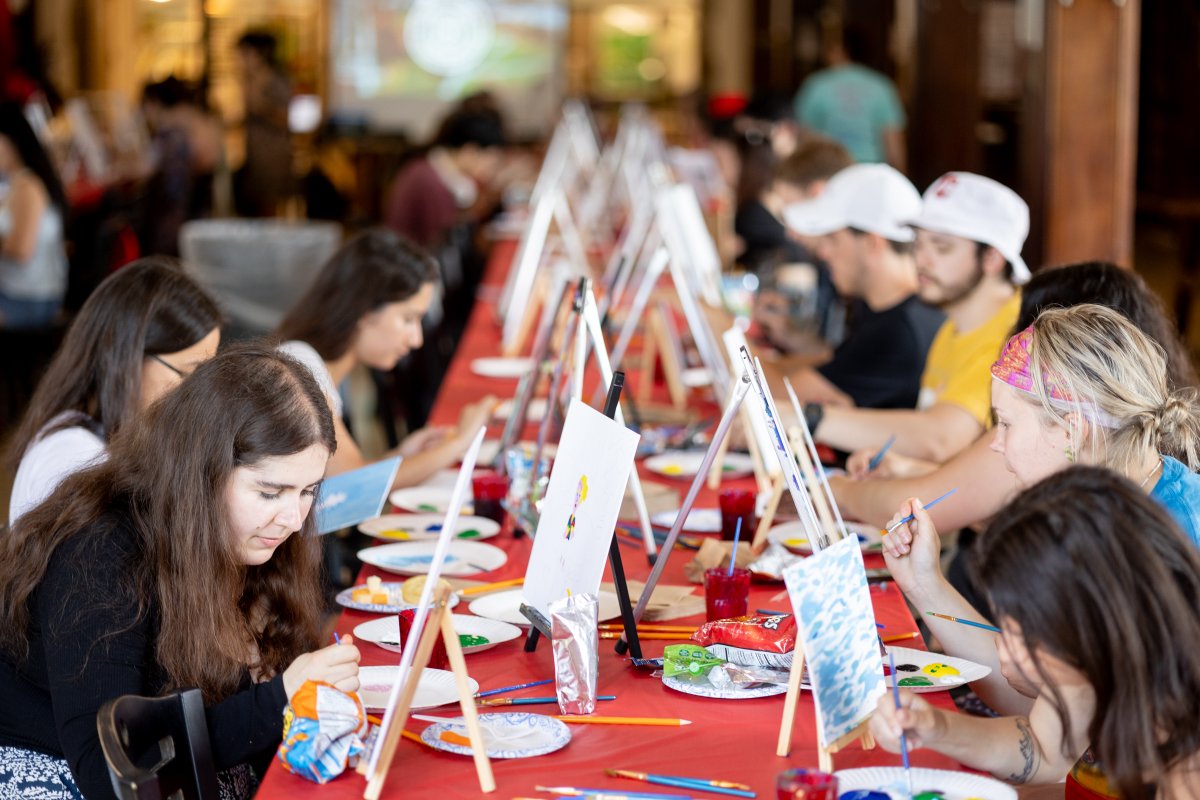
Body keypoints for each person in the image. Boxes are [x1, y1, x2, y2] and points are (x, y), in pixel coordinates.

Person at [0, 344, 361, 799]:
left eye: (309, 490)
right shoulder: (99, 556)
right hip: (65, 770)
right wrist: (282, 697)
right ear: (202, 472)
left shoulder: (243, 533)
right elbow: (113, 771)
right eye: (271, 492)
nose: (293, 518)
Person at [881, 302, 1200, 716]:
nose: (995, 444)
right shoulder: (1100, 505)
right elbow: (1029, 698)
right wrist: (924, 584)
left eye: (1006, 423)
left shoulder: (1168, 546)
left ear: (1072, 430)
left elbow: (1066, 734)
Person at [872, 467, 1200, 797]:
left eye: (1020, 631)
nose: (1004, 648)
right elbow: (1045, 751)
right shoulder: (1104, 662)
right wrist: (935, 727)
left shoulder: (1185, 765)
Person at [829, 261, 1199, 530]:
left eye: (1004, 424)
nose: (996, 442)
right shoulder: (1103, 473)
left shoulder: (1162, 533)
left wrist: (833, 488)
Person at [807, 172, 1030, 463]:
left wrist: (812, 419)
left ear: (992, 259)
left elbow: (940, 439)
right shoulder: (953, 325)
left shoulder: (1015, 337)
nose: (921, 260)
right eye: (918, 244)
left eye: (941, 247)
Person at [6, 257, 222, 526]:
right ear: (129, 358)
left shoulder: (115, 439)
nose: (195, 392)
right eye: (186, 373)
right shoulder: (74, 456)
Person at [275, 228, 496, 490]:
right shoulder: (299, 368)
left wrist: (401, 456)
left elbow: (341, 475)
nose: (417, 339)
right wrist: (461, 442)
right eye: (408, 319)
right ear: (365, 311)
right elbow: (353, 484)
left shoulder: (318, 363)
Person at [778, 162, 944, 410]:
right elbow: (834, 364)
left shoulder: (898, 331)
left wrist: (718, 323)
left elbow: (773, 398)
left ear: (872, 243)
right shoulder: (886, 308)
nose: (823, 252)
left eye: (832, 239)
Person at [793, 24, 906, 170]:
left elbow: (804, 135)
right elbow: (893, 142)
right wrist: (900, 178)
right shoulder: (881, 85)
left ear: (840, 49)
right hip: (870, 168)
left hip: (828, 169)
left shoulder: (817, 84)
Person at [0, 102, 67, 328]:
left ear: (12, 142)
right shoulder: (16, 183)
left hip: (28, 301)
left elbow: (21, 250)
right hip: (25, 293)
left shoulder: (27, 186)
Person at [235, 31, 292, 217]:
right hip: (256, 157)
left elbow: (287, 118)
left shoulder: (275, 80)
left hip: (273, 157)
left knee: (270, 209)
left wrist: (260, 108)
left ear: (256, 54)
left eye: (243, 54)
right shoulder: (253, 81)